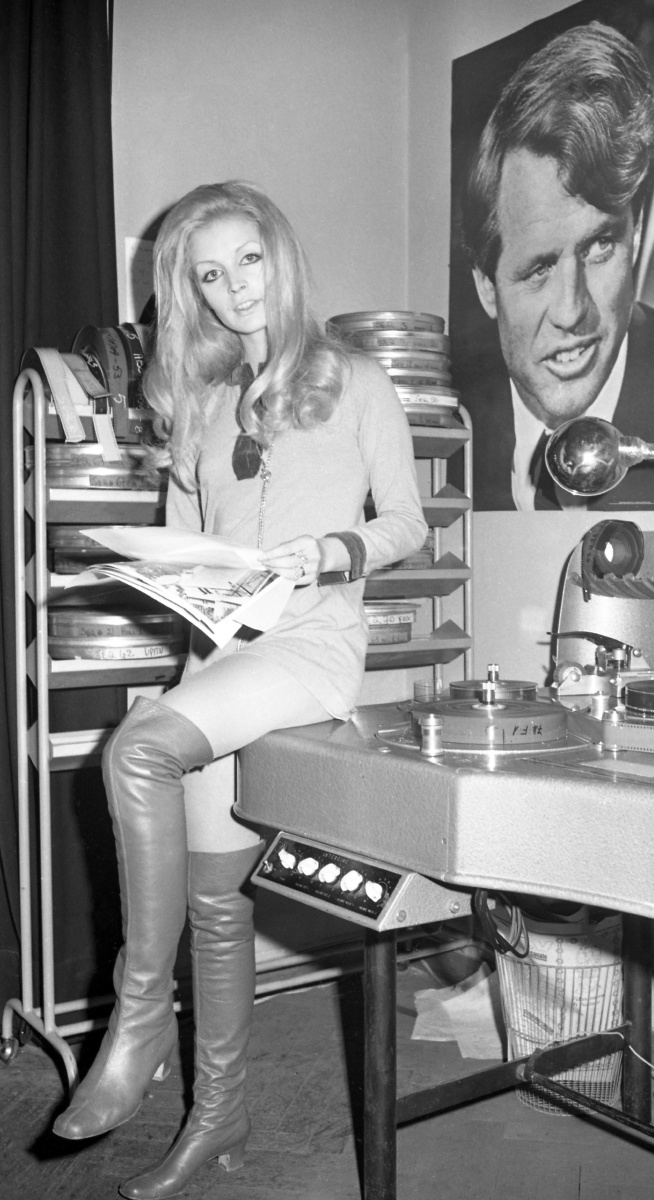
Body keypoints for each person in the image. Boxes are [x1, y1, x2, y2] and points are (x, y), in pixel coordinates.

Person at [52, 180, 427, 1197]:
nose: (234, 288)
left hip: (309, 647)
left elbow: (407, 521)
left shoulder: (356, 379)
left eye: (247, 261)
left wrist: (330, 551)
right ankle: (218, 1115)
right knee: (216, 903)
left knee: (134, 748)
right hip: (222, 659)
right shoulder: (202, 404)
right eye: (209, 275)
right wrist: (176, 604)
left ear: (280, 256)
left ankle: (136, 1019)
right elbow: (191, 554)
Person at [458, 20, 654, 512]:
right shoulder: (450, 424)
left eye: (600, 246)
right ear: (486, 286)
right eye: (538, 269)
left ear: (636, 235)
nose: (571, 311)